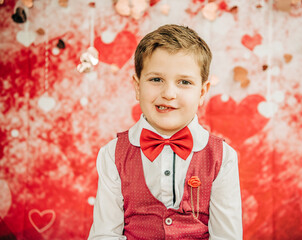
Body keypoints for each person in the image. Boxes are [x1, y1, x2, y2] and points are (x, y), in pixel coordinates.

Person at [88, 24, 242, 239]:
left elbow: (227, 236)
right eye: (156, 79)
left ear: (202, 92)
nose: (169, 93)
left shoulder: (222, 157)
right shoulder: (112, 154)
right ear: (137, 86)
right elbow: (105, 234)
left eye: (184, 82)